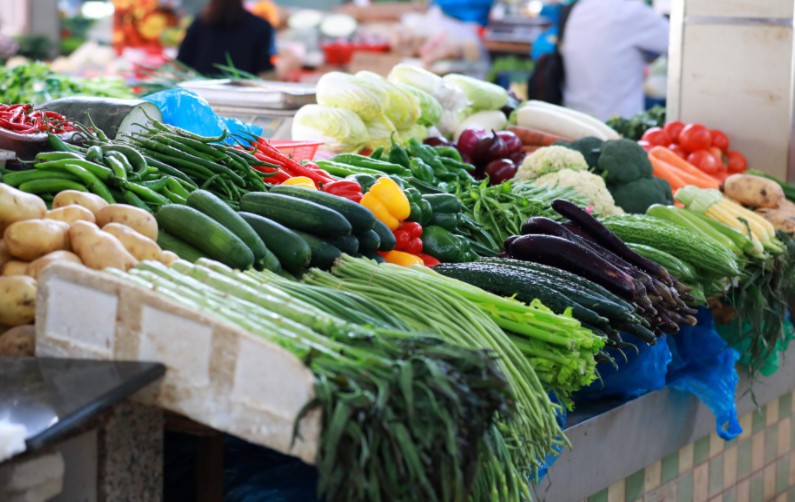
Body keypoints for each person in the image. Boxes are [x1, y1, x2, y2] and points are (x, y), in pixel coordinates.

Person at [560, 0, 669, 121]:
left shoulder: (580, 8)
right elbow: (680, 43)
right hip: (615, 123)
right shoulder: (629, 11)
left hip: (575, 117)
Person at [177, 0, 275, 76]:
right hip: (245, 98)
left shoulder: (199, 24)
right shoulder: (261, 27)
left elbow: (180, 67)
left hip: (205, 96)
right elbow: (267, 73)